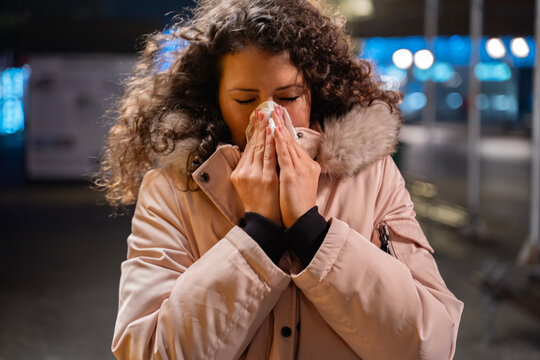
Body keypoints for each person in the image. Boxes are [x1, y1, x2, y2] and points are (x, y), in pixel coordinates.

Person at [98, 0, 464, 358]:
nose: (269, 116)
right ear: (215, 101)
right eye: (244, 100)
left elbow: (431, 344)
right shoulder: (171, 190)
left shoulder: (374, 175)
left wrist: (312, 233)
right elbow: (148, 350)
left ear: (316, 94)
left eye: (288, 97)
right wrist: (258, 234)